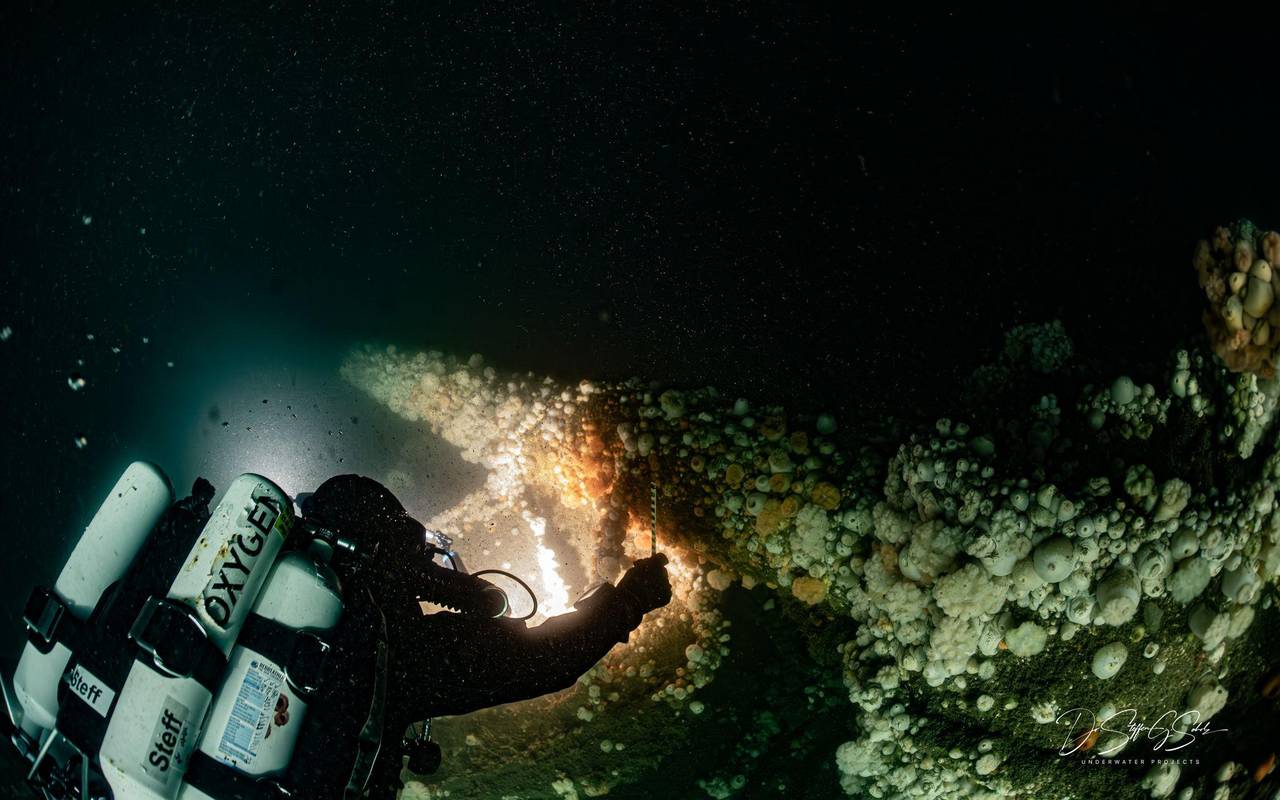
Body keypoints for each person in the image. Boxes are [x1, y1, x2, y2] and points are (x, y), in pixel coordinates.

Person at [290, 475, 673, 799]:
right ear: (391, 551)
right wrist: (630, 600)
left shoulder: (293, 622)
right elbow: (547, 659)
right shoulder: (397, 651)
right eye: (417, 555)